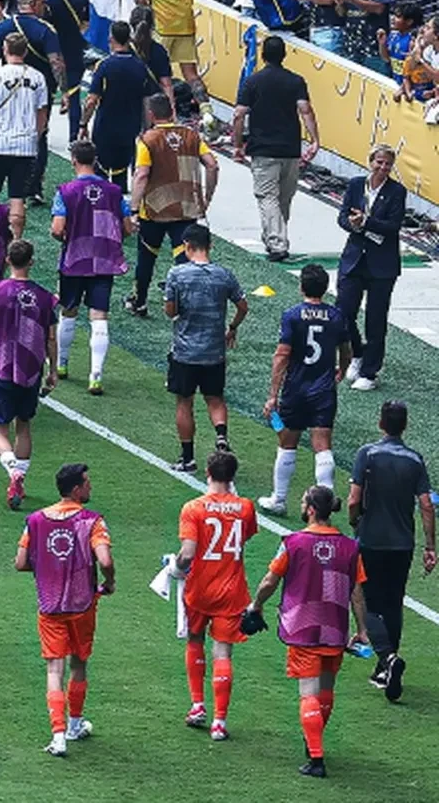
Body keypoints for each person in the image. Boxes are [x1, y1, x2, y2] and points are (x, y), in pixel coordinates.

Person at [244, 484, 367, 778]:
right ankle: (314, 739)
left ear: (311, 509)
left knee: (308, 693)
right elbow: (357, 592)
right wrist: (362, 629)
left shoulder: (293, 542)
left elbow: (269, 581)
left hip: (302, 628)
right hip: (335, 628)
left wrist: (256, 605)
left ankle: (316, 757)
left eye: (303, 502)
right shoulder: (350, 547)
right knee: (326, 689)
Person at [16, 461, 115, 757]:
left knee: (53, 669)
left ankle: (58, 735)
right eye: (87, 482)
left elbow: (21, 562)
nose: (90, 486)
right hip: (82, 604)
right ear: (76, 489)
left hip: (50, 606)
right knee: (79, 663)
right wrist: (109, 582)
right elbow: (106, 561)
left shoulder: (35, 520)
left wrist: (48, 566)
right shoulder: (92, 521)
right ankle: (74, 724)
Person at [349, 400, 436, 701]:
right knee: (393, 602)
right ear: (406, 425)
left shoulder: (368, 454)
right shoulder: (415, 459)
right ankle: (384, 668)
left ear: (380, 423)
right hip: (402, 544)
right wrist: (430, 546)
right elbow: (426, 504)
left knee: (366, 601)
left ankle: (387, 658)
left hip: (372, 539)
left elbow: (353, 499)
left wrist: (355, 521)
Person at [169, 450, 257, 740]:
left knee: (195, 640)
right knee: (223, 652)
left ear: (208, 472)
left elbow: (188, 553)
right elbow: (243, 537)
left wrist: (175, 567)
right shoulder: (245, 507)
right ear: (232, 477)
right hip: (231, 591)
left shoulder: (193, 508)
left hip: (199, 589)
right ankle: (219, 722)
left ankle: (197, 706)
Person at [0, 239, 57, 510]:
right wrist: (53, 370)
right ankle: (20, 479)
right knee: (24, 425)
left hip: (4, 366)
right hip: (32, 368)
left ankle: (13, 473)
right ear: (31, 261)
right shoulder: (45, 296)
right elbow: (51, 338)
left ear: (7, 260)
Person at [259, 263, 350, 514]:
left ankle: (278, 500)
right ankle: (325, 503)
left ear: (301, 287)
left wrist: (272, 395)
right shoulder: (336, 316)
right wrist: (342, 368)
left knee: (287, 442)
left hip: (296, 389)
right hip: (323, 389)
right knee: (322, 444)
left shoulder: (292, 315)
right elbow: (346, 350)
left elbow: (282, 355)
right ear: (325, 288)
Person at [163, 223, 248, 472]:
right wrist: (232, 328)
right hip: (214, 352)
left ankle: (187, 457)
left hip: (185, 352)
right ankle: (221, 437)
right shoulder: (224, 274)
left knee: (184, 402)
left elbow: (171, 312)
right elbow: (243, 306)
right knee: (215, 399)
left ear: (187, 246)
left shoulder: (177, 274)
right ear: (210, 246)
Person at [126, 92, 217, 316]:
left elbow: (141, 175)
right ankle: (183, 306)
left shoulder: (147, 140)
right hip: (186, 209)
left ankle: (140, 302)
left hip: (154, 212)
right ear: (173, 111)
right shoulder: (192, 136)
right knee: (184, 259)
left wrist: (134, 209)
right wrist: (206, 198)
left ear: (150, 114)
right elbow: (212, 165)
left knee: (146, 259)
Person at [51, 140, 131, 394]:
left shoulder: (66, 191)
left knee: (69, 311)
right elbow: (127, 228)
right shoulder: (114, 191)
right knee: (99, 316)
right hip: (105, 261)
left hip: (75, 260)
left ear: (74, 160)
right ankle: (95, 375)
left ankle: (62, 364)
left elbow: (57, 229)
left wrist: (64, 236)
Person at [233, 34, 320, 262]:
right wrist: (314, 140)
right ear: (284, 55)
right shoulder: (296, 81)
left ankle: (277, 243)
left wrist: (237, 144)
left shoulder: (252, 82)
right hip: (290, 149)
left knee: (267, 197)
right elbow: (306, 110)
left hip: (263, 149)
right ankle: (274, 237)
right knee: (284, 198)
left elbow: (239, 115)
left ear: (262, 56)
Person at [335, 145, 405, 392]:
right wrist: (353, 225)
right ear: (370, 161)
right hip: (354, 259)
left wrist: (366, 222)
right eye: (379, 162)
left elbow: (393, 226)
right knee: (343, 312)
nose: (383, 167)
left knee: (376, 320)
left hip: (382, 265)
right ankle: (357, 353)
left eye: (387, 164)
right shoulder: (356, 184)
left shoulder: (397, 191)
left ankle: (370, 372)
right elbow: (342, 216)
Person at [0, 32, 48, 240]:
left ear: (5, 50)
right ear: (25, 52)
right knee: (17, 197)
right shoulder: (37, 77)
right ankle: (16, 242)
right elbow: (42, 113)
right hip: (25, 145)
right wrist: (35, 136)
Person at [77, 20, 147, 189]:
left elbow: (92, 100)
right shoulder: (140, 66)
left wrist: (83, 123)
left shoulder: (104, 66)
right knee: (121, 174)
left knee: (100, 172)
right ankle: (119, 208)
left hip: (105, 126)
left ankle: (101, 208)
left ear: (111, 39)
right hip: (131, 127)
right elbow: (146, 100)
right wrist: (146, 127)